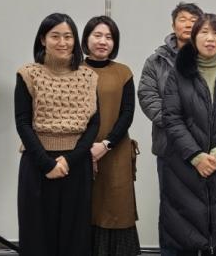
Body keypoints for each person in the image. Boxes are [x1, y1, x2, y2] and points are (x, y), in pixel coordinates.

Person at [161, 13, 216, 255]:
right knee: (185, 236)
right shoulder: (178, 73)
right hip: (185, 166)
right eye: (204, 32)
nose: (210, 38)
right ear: (194, 38)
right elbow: (172, 118)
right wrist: (196, 156)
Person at [15, 13, 99, 256]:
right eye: (55, 36)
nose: (62, 42)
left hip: (76, 165)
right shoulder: (28, 74)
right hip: (37, 164)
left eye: (68, 36)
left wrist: (69, 160)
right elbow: (23, 122)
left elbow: (94, 124)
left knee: (75, 238)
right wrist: (47, 163)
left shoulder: (88, 77)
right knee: (37, 237)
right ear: (43, 39)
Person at [137, 2, 203, 256]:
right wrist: (177, 126)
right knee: (172, 209)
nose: (188, 24)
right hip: (170, 147)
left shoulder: (211, 57)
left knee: (203, 209)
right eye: (182, 19)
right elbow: (148, 96)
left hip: (204, 147)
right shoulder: (157, 60)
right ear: (173, 25)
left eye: (193, 20)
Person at [81, 16, 140, 256]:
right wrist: (86, 148)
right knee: (85, 209)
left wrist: (105, 145)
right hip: (80, 152)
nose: (103, 41)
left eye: (109, 37)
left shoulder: (123, 72)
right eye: (97, 35)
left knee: (117, 210)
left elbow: (127, 113)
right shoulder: (74, 71)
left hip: (116, 151)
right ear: (86, 39)